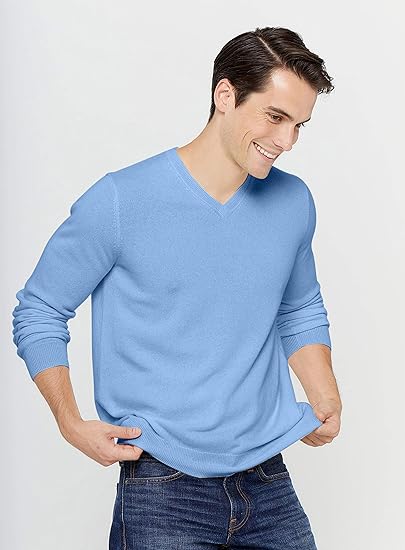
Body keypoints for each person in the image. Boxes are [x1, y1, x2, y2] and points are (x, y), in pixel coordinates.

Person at [12, 26, 342, 549]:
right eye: (275, 117)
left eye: (299, 125)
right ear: (225, 95)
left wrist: (325, 394)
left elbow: (297, 306)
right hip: (163, 485)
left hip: (268, 476)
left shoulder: (293, 202)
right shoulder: (121, 200)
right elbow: (40, 308)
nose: (286, 141)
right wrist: (69, 422)